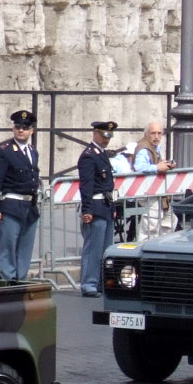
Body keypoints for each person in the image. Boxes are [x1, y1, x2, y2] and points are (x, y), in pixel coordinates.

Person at [0, 109, 41, 280]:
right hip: (11, 206)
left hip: (29, 207)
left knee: (25, 249)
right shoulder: (4, 152)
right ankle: (6, 283)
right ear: (13, 129)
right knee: (7, 249)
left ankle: (20, 281)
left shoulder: (33, 152)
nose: (21, 130)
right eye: (18, 126)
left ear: (32, 130)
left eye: (25, 127)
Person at [78, 120, 118, 297]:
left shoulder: (101, 154)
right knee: (93, 248)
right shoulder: (89, 155)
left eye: (108, 136)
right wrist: (87, 210)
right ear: (95, 133)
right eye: (103, 135)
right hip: (95, 206)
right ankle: (89, 283)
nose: (106, 139)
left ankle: (102, 282)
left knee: (105, 248)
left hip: (106, 206)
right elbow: (86, 186)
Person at [132, 121, 177, 240]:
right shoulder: (144, 149)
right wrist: (157, 167)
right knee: (151, 224)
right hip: (148, 192)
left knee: (170, 220)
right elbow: (139, 167)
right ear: (147, 134)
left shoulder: (154, 148)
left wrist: (165, 165)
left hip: (156, 191)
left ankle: (160, 246)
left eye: (159, 133)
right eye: (153, 133)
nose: (156, 136)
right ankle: (145, 249)